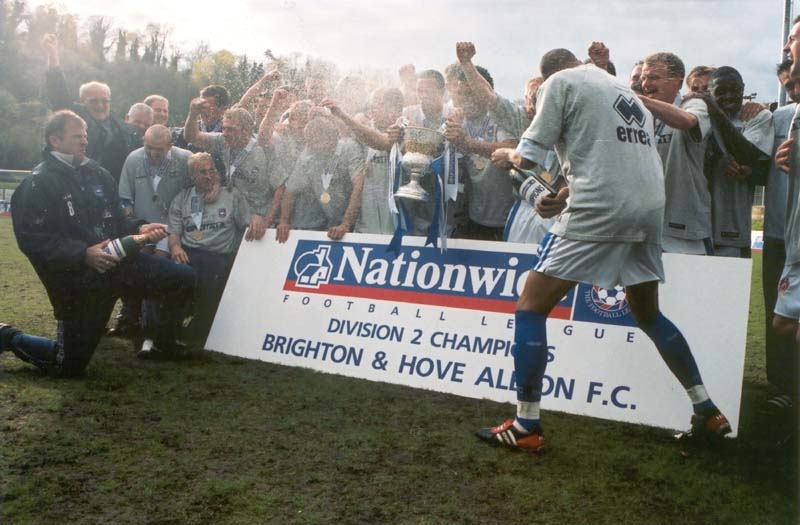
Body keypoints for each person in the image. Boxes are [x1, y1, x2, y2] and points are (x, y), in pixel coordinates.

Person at [479, 49, 729, 452]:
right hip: (649, 210)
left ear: (546, 77)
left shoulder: (559, 84)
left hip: (599, 209)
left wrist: (505, 156)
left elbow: (527, 156)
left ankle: (526, 424)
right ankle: (707, 410)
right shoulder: (619, 88)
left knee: (530, 307)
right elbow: (612, 159)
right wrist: (562, 196)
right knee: (647, 313)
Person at [11, 110, 197, 376]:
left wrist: (139, 227)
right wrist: (82, 254)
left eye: (85, 135)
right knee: (69, 365)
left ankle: (163, 344)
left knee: (183, 278)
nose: (84, 141)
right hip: (81, 279)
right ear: (55, 140)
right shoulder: (37, 183)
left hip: (121, 264)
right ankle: (8, 336)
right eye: (77, 136)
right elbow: (32, 239)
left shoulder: (97, 172)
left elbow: (117, 219)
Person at [168, 153, 250, 346]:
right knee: (175, 283)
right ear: (192, 177)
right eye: (202, 172)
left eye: (212, 170)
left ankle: (194, 339)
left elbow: (246, 223)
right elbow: (174, 232)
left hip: (219, 256)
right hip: (190, 253)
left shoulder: (231, 195)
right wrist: (175, 247)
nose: (208, 176)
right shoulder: (182, 198)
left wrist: (255, 219)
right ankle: (169, 333)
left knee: (210, 294)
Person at [638, 52, 713, 254]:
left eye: (654, 77)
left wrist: (639, 100)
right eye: (643, 78)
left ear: (677, 81)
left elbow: (687, 121)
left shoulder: (694, 104)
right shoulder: (641, 113)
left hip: (683, 224)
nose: (646, 83)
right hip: (645, 222)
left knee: (687, 285)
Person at [41, 33, 136, 183]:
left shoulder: (120, 126)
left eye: (105, 101)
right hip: (78, 185)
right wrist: (53, 55)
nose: (100, 105)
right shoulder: (74, 119)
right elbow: (57, 91)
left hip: (111, 189)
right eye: (93, 101)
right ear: (82, 102)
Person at [184, 104, 285, 240]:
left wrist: (267, 220)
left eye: (231, 129)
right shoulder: (222, 141)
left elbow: (280, 188)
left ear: (246, 130)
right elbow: (192, 137)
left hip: (263, 222)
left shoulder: (264, 150)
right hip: (236, 218)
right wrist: (193, 113)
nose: (225, 133)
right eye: (224, 128)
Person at [448, 43, 518, 240]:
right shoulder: (455, 118)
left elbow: (512, 150)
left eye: (470, 92)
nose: (464, 98)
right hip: (472, 219)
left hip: (507, 219)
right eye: (461, 93)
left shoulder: (500, 117)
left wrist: (468, 143)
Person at [703, 67, 774, 257]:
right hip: (692, 229)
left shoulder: (757, 116)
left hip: (731, 227)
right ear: (708, 93)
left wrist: (717, 115)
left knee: (728, 286)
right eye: (721, 91)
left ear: (743, 89)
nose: (729, 96)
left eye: (735, 90)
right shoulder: (696, 116)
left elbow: (749, 157)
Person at [762, 60, 800, 411]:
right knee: (777, 315)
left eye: (795, 80)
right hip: (775, 233)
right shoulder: (775, 118)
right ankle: (780, 385)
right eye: (785, 82)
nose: (791, 86)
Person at [323, 88, 405, 235]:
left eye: (377, 105)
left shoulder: (406, 130)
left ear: (394, 109)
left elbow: (383, 143)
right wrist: (346, 224)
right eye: (370, 106)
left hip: (399, 231)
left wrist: (342, 115)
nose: (371, 111)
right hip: (366, 229)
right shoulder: (362, 135)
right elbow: (359, 185)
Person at [277, 116, 365, 242]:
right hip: (332, 224)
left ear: (331, 137)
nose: (310, 147)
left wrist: (346, 224)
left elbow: (359, 186)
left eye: (314, 142)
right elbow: (290, 190)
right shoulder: (307, 156)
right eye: (308, 142)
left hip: (356, 224)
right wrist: (284, 222)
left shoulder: (349, 148)